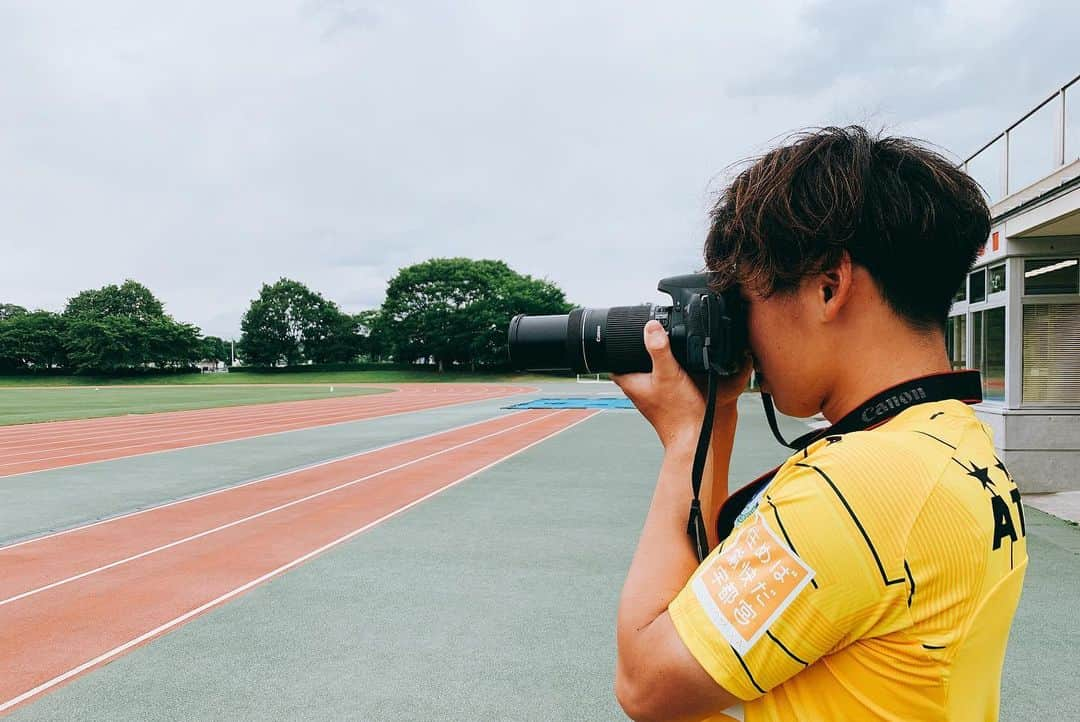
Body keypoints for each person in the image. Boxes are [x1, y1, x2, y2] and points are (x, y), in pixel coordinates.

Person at [611, 126, 1027, 722]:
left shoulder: (864, 486)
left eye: (745, 303)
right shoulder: (952, 440)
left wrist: (687, 441)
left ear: (829, 286)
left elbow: (648, 685)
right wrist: (718, 415)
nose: (744, 333)